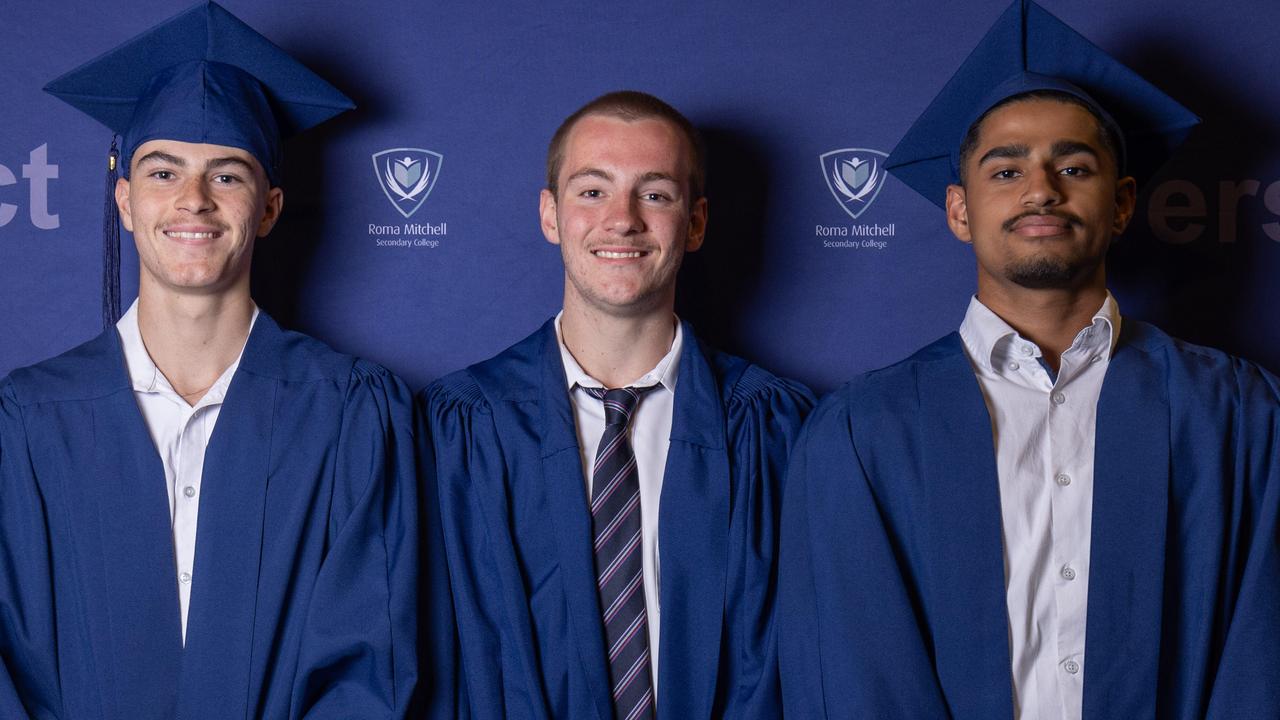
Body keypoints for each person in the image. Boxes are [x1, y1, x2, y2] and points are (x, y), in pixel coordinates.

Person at [779, 1, 1278, 717]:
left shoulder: (1238, 417)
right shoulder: (862, 434)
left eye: (1073, 166)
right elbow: (859, 678)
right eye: (1006, 172)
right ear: (959, 210)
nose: (1042, 188)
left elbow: (1261, 663)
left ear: (1124, 203)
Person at [0, 3, 448, 717]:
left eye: (228, 176)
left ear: (269, 209)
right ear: (124, 200)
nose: (194, 201)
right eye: (163, 172)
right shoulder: (29, 421)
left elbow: (372, 665)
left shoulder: (351, 413)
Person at [422, 90, 813, 718]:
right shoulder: (458, 428)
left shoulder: (776, 429)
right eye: (592, 191)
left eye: (655, 193)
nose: (623, 219)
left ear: (696, 222)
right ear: (550, 215)